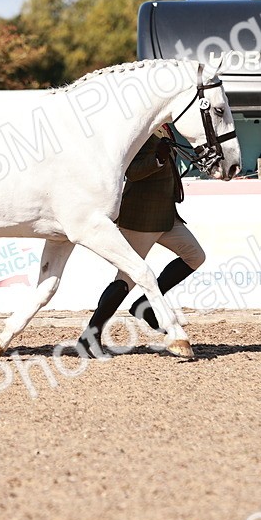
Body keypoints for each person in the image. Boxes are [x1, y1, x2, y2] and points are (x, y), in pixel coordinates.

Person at [77, 127, 206, 358]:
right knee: (126, 278)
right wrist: (157, 158)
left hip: (166, 214)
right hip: (142, 217)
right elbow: (132, 172)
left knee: (195, 256)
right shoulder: (139, 132)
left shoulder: (165, 129)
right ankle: (90, 336)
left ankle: (144, 307)